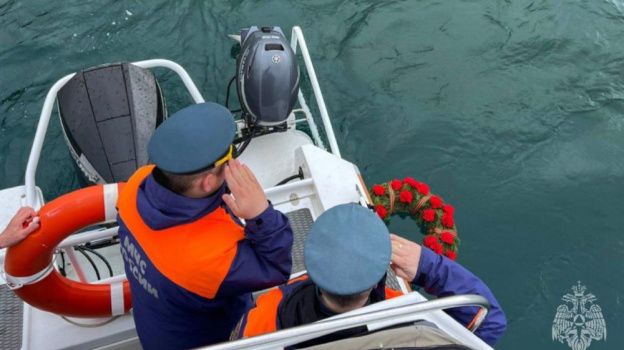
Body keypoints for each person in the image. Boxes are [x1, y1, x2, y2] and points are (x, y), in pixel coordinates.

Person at [116, 102, 293, 350]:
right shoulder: (211, 259)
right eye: (228, 160)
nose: (233, 164)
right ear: (208, 182)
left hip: (156, 332)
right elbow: (277, 267)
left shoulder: (135, 186)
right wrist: (260, 214)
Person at [232, 203, 506, 348]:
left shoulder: (262, 318)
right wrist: (428, 266)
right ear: (378, 280)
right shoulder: (412, 320)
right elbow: (489, 321)